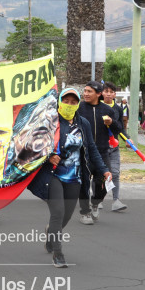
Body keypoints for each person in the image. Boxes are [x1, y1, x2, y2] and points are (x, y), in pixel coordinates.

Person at [28, 88, 111, 268]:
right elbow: (33, 144)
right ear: (59, 101)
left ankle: (51, 233)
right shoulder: (50, 121)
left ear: (78, 103)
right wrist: (48, 156)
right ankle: (58, 253)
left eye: (74, 102)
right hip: (52, 174)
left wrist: (104, 170)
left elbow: (91, 148)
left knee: (65, 216)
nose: (70, 105)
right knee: (57, 212)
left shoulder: (83, 124)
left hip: (75, 177)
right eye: (66, 101)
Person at [77, 81, 123, 224]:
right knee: (83, 183)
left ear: (98, 94)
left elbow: (118, 130)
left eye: (89, 91)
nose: (85, 94)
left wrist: (111, 123)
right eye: (85, 91)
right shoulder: (78, 108)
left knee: (104, 181)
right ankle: (85, 212)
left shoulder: (107, 110)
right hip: (83, 152)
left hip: (102, 152)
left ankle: (96, 203)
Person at [100, 81, 127, 212]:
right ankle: (97, 200)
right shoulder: (96, 107)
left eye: (111, 92)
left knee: (115, 173)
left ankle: (116, 200)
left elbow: (121, 128)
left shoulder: (118, 109)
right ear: (101, 93)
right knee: (99, 174)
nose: (109, 94)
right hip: (99, 146)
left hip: (114, 146)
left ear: (115, 94)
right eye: (106, 91)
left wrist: (127, 138)